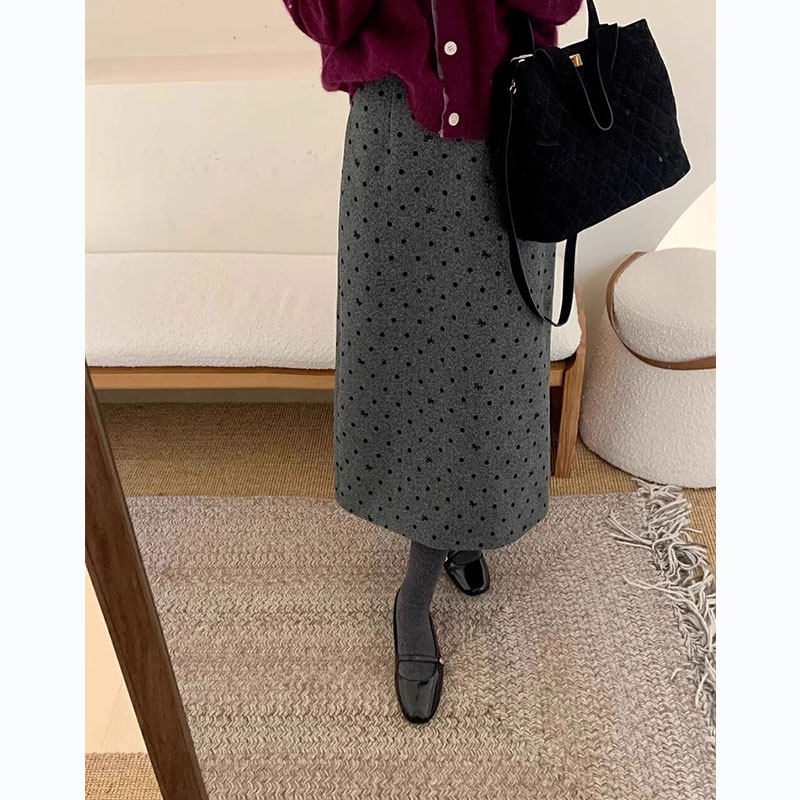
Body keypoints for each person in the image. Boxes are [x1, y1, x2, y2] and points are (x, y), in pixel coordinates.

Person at [283, 0, 584, 724]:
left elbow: (560, 6)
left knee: (492, 369)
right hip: (398, 146)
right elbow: (325, 19)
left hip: (515, 131)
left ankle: (460, 523)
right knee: (408, 366)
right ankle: (415, 591)